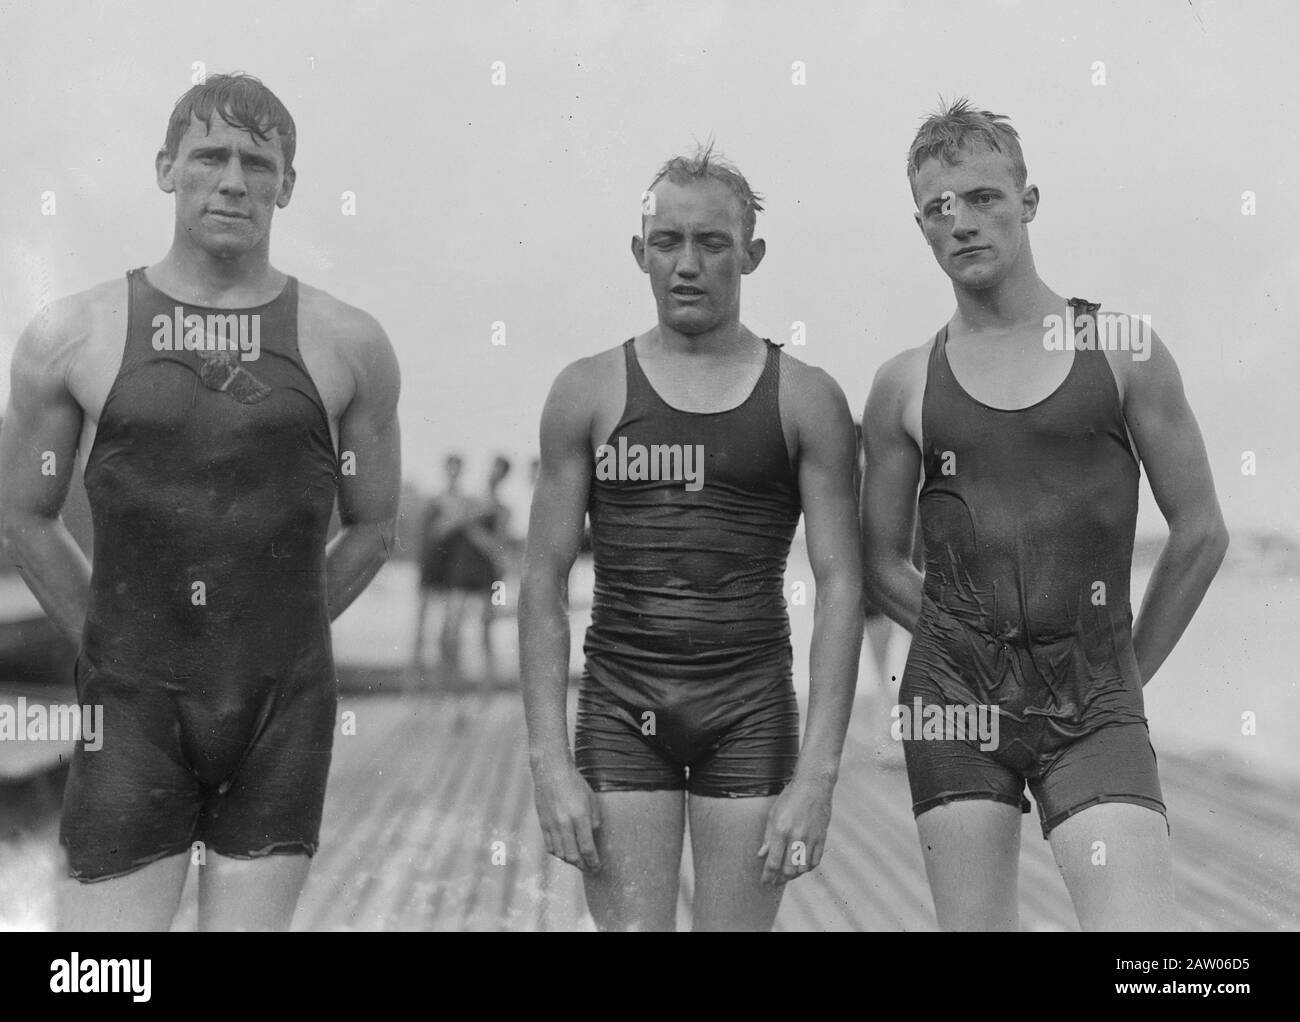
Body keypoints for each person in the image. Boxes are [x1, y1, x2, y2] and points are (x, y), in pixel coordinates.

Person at [0, 73, 401, 931]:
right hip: (133, 706)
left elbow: (374, 527)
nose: (233, 180)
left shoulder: (349, 343)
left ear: (286, 186)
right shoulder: (71, 334)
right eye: (210, 155)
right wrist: (108, 643)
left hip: (280, 711)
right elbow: (23, 515)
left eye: (259, 163)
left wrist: (273, 635)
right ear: (165, 169)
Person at [859, 98, 1229, 931]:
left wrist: (1125, 671)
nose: (962, 223)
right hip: (957, 703)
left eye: (984, 198)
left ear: (1029, 202)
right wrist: (966, 648)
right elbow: (880, 559)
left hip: (1093, 697)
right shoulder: (903, 383)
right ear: (920, 225)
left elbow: (1201, 531)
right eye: (938, 209)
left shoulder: (1121, 348)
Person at [520, 144, 863, 931]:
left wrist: (817, 779)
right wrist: (549, 766)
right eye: (668, 242)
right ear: (640, 252)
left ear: (752, 254)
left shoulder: (808, 400)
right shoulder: (588, 392)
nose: (688, 264)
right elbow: (542, 580)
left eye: (712, 243)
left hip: (751, 710)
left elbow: (843, 585)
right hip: (619, 709)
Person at [413, 454, 510, 685]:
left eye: (497, 472)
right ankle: (445, 685)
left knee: (484, 634)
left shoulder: (501, 509)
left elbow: (497, 547)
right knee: (450, 632)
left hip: (485, 577)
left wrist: (470, 524)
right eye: (491, 470)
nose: (492, 476)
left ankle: (484, 691)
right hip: (462, 575)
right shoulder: (472, 504)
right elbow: (439, 531)